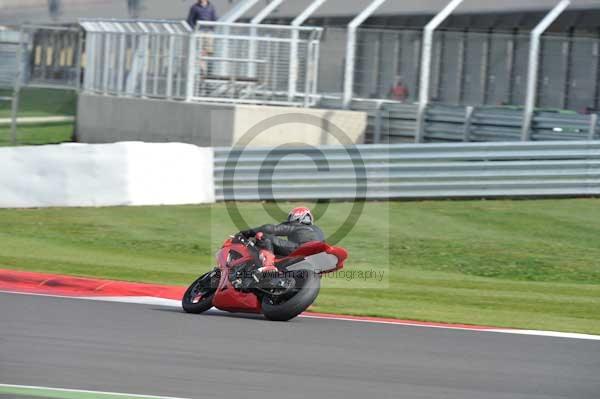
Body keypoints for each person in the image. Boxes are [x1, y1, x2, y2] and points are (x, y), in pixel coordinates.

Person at [240, 207, 325, 274]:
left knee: (263, 236)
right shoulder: (318, 230)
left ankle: (268, 266)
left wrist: (246, 233)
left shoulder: (296, 225)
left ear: (295, 216)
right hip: (317, 257)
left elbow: (269, 228)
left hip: (299, 248)